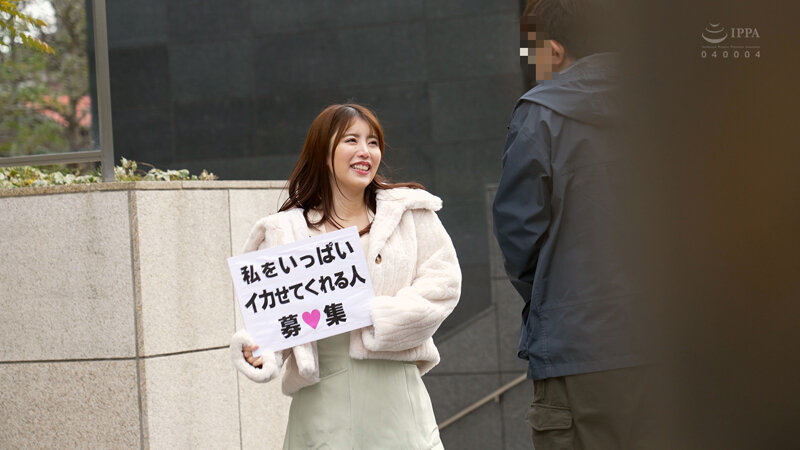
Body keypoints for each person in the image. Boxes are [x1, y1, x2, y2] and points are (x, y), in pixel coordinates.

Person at [229, 103, 461, 449]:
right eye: (351, 140)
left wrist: (374, 314)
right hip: (322, 406)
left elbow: (442, 287)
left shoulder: (410, 213)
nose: (365, 151)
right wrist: (260, 349)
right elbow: (278, 317)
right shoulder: (287, 230)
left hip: (396, 399)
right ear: (324, 152)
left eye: (373, 142)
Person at [493, 1, 649, 448]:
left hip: (578, 347)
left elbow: (519, 236)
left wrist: (554, 295)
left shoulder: (539, 113)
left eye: (532, 52)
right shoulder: (676, 107)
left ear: (555, 50)